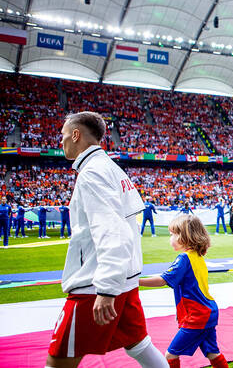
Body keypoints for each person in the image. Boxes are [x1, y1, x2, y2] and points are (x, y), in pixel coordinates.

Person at [47, 111, 167, 368]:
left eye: (64, 135)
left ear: (76, 135)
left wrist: (106, 288)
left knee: (57, 361)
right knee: (140, 347)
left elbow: (112, 230)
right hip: (125, 280)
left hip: (96, 283)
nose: (62, 140)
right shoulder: (112, 168)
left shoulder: (92, 172)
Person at [139, 214, 227, 368]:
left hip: (198, 316)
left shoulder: (183, 259)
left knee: (171, 354)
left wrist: (133, 281)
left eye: (172, 234)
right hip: (207, 312)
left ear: (184, 236)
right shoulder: (197, 256)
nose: (170, 238)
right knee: (212, 352)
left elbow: (162, 280)